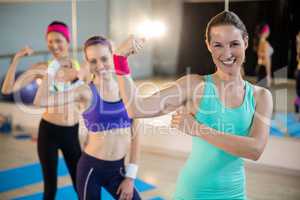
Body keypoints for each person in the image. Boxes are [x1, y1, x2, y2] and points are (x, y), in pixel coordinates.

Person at [113, 11, 273, 199]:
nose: (227, 53)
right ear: (208, 46)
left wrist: (197, 128)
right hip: (194, 192)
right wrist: (119, 59)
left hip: (235, 193)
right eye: (218, 45)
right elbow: (136, 108)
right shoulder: (195, 85)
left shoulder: (261, 96)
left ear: (245, 42)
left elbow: (255, 150)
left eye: (234, 44)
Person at [34, 35, 141, 200]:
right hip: (91, 168)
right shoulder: (85, 91)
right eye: (93, 61)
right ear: (87, 62)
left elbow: (137, 136)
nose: (99, 66)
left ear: (113, 56)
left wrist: (130, 177)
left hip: (118, 170)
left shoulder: (127, 88)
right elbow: (40, 100)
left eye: (104, 58)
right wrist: (53, 67)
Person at [1, 21, 82, 200]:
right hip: (49, 132)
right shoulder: (42, 68)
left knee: (80, 185)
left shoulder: (79, 68)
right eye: (50, 42)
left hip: (71, 133)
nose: (54, 46)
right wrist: (16, 58)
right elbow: (7, 90)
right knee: (50, 188)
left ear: (67, 41)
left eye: (58, 40)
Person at [256, 23, 273, 88]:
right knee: (264, 93)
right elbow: (267, 59)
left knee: (260, 91)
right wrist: (268, 75)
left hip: (260, 67)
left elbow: (260, 55)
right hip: (264, 69)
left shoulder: (259, 42)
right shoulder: (265, 43)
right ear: (266, 32)